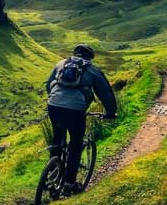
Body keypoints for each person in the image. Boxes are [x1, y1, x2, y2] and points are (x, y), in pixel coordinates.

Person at [44, 44, 117, 194]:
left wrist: (56, 99)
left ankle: (53, 170)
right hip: (75, 110)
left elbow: (49, 85)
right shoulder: (93, 70)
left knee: (57, 137)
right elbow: (106, 95)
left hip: (54, 106)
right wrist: (110, 112)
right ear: (90, 57)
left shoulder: (61, 64)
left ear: (75, 53)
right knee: (76, 143)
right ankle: (69, 184)